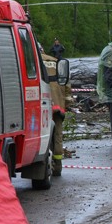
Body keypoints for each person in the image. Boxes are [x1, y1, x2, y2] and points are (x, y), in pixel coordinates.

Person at [40, 47, 72, 176]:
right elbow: (67, 85)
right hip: (57, 106)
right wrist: (66, 104)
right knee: (57, 135)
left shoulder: (32, 61)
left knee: (41, 135)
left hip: (40, 106)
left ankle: (41, 164)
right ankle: (57, 166)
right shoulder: (57, 62)